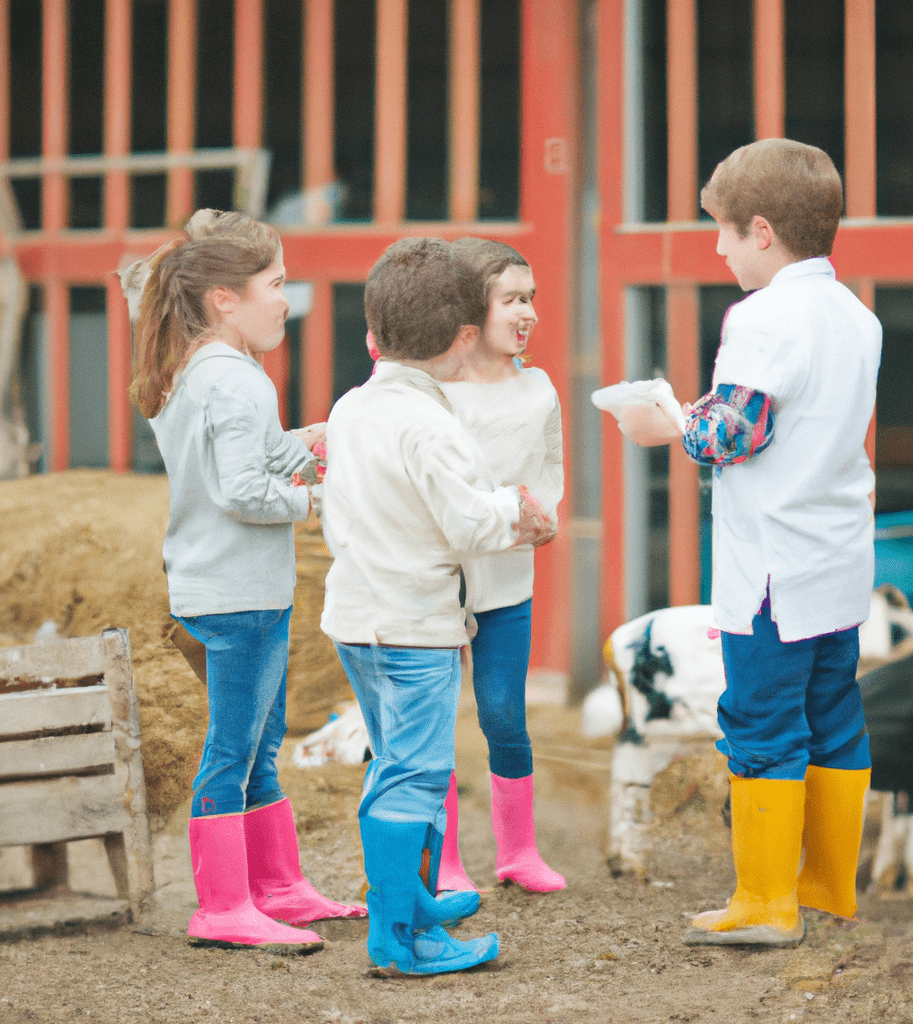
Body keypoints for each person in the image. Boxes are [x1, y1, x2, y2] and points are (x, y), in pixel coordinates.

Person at [614, 139, 880, 947]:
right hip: (835, 555)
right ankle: (828, 886)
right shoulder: (856, 315)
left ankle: (765, 902)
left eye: (724, 232)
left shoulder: (761, 315)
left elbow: (732, 433)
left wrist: (666, 423)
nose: (719, 248)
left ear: (761, 231)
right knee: (835, 713)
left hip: (770, 568)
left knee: (759, 717)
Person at [128, 212, 365, 954]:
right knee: (233, 752)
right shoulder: (239, 382)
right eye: (276, 284)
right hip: (239, 595)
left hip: (228, 588)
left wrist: (306, 443)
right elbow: (241, 493)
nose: (285, 300)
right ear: (225, 299)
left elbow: (241, 468)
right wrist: (321, 498)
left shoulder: (202, 371)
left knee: (258, 748)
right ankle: (223, 905)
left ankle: (277, 888)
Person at [320, 236, 554, 974]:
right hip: (415, 627)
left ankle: (413, 901)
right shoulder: (434, 426)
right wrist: (515, 511)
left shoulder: (351, 406)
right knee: (416, 772)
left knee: (393, 761)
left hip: (356, 619)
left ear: (371, 337)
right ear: (461, 340)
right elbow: (467, 524)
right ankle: (399, 935)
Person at [433, 237, 565, 894]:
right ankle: (445, 860)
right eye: (512, 299)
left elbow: (550, 471)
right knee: (432, 718)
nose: (529, 312)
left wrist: (541, 515)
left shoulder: (539, 389)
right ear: (469, 310)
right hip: (436, 578)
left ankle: (518, 852)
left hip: (509, 579)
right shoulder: (428, 390)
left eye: (531, 298)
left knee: (504, 712)